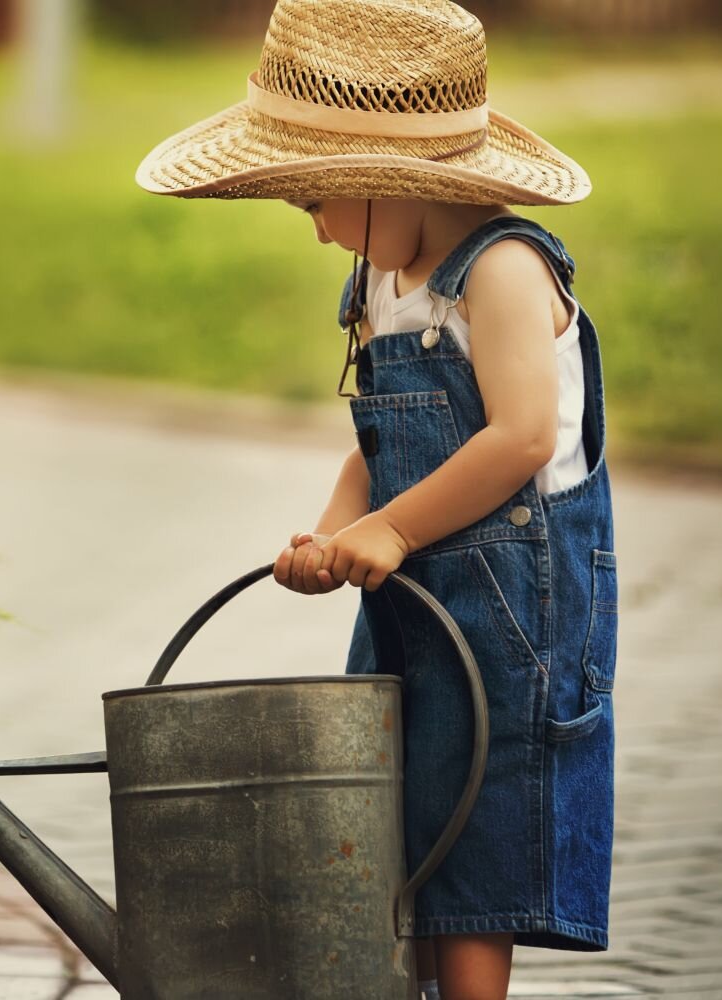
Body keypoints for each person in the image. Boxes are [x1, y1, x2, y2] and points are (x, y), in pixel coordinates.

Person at [135, 2, 617, 998]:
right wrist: (338, 530)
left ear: (385, 179)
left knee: (476, 818)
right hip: (412, 591)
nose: (314, 233)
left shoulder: (503, 269)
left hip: (515, 609)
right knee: (397, 803)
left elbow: (519, 435)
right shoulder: (380, 279)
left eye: (313, 203)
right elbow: (376, 440)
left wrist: (392, 528)